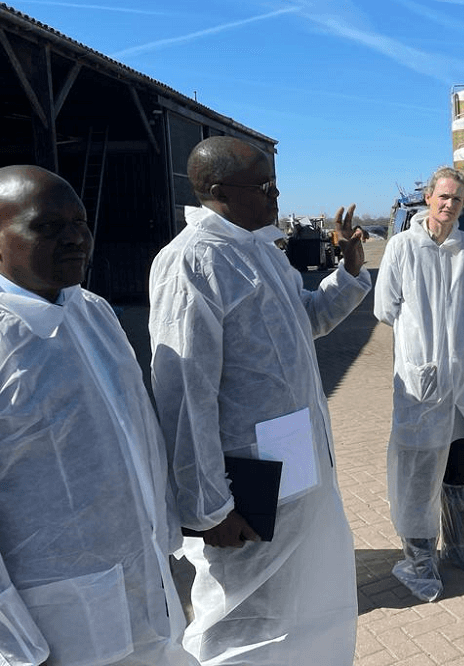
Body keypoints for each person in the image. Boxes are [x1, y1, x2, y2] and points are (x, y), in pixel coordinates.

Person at [148, 136, 370, 665]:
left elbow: (310, 319)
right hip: (244, 488)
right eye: (264, 185)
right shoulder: (191, 263)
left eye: (275, 182)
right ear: (219, 191)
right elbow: (183, 396)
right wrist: (208, 508)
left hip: (296, 463)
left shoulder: (259, 250)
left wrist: (352, 271)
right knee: (242, 619)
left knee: (307, 601)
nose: (275, 195)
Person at [0, 165, 196, 666]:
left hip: (144, 581)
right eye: (47, 226)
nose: (75, 238)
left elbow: (137, 435)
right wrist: (16, 649)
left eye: (80, 222)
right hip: (58, 622)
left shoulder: (93, 311)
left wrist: (168, 541)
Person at [373, 166, 464, 603]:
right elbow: (385, 308)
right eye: (443, 197)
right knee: (418, 471)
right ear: (428, 197)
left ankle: (459, 545)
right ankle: (418, 558)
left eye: (458, 200)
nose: (449, 205)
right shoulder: (402, 248)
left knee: (458, 463)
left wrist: (455, 344)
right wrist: (422, 346)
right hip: (421, 381)